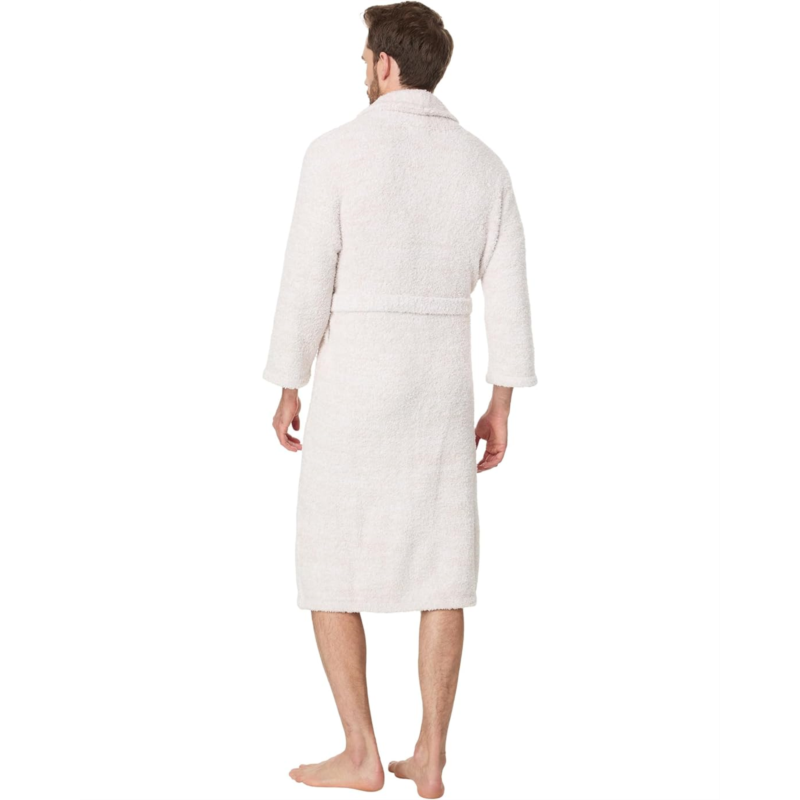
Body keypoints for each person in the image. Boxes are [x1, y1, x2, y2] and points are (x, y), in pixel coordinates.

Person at [263, 2, 537, 796]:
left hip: (354, 383)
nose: (362, 69)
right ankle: (432, 755)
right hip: (438, 388)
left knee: (328, 562)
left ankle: (360, 752)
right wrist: (502, 403)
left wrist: (288, 382)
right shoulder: (484, 165)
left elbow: (306, 278)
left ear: (385, 64)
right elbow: (509, 295)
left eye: (364, 58)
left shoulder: (335, 152)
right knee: (443, 568)